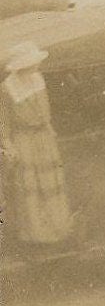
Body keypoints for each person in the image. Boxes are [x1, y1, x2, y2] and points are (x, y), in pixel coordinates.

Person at [0, 44, 71, 244]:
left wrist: (49, 129)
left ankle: (57, 228)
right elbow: (3, 119)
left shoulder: (38, 80)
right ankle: (37, 235)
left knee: (50, 181)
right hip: (25, 140)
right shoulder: (7, 88)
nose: (35, 67)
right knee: (31, 186)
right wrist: (7, 143)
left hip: (43, 138)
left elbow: (44, 112)